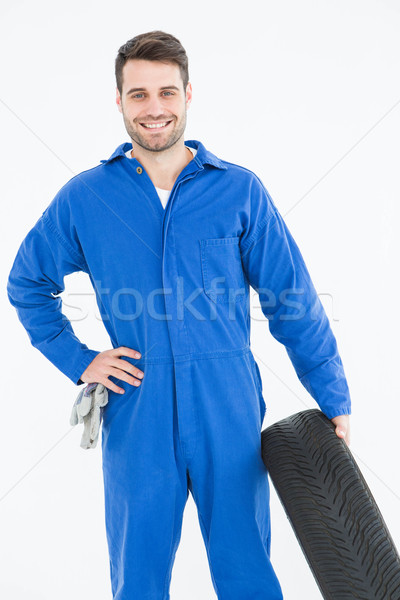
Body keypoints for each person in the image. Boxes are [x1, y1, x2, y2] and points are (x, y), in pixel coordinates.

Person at [7, 30, 351, 600]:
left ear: (188, 93)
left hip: (228, 405)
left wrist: (332, 397)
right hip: (137, 405)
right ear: (118, 101)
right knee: (137, 578)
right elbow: (26, 284)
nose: (154, 108)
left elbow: (292, 300)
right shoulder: (86, 197)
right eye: (138, 94)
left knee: (246, 571)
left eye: (166, 91)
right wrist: (80, 359)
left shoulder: (238, 191)